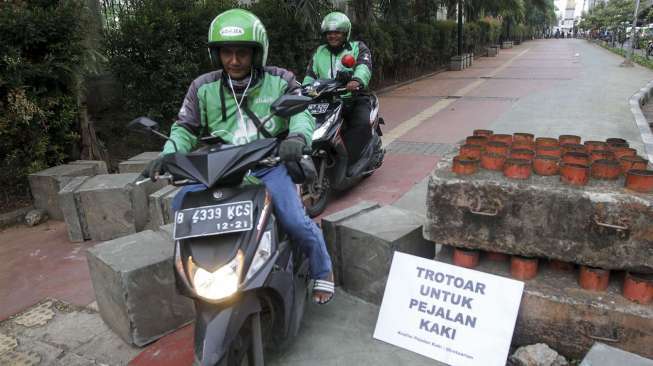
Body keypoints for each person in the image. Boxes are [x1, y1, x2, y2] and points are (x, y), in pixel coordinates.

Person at [142, 9, 334, 304]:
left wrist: (296, 138)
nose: (233, 60)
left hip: (269, 165)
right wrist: (168, 154)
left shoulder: (280, 79)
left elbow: (302, 114)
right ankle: (204, 271)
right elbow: (184, 128)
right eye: (226, 52)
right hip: (219, 168)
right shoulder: (202, 87)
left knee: (295, 220)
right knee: (182, 204)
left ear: (257, 53)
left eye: (242, 52)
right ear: (216, 54)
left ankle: (323, 269)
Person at [303, 11, 373, 175]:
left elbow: (364, 65)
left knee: (361, 124)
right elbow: (310, 75)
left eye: (337, 32)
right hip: (326, 100)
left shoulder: (357, 47)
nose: (332, 36)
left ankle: (353, 160)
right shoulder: (319, 52)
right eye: (329, 33)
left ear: (345, 33)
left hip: (352, 97)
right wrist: (304, 90)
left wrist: (357, 81)